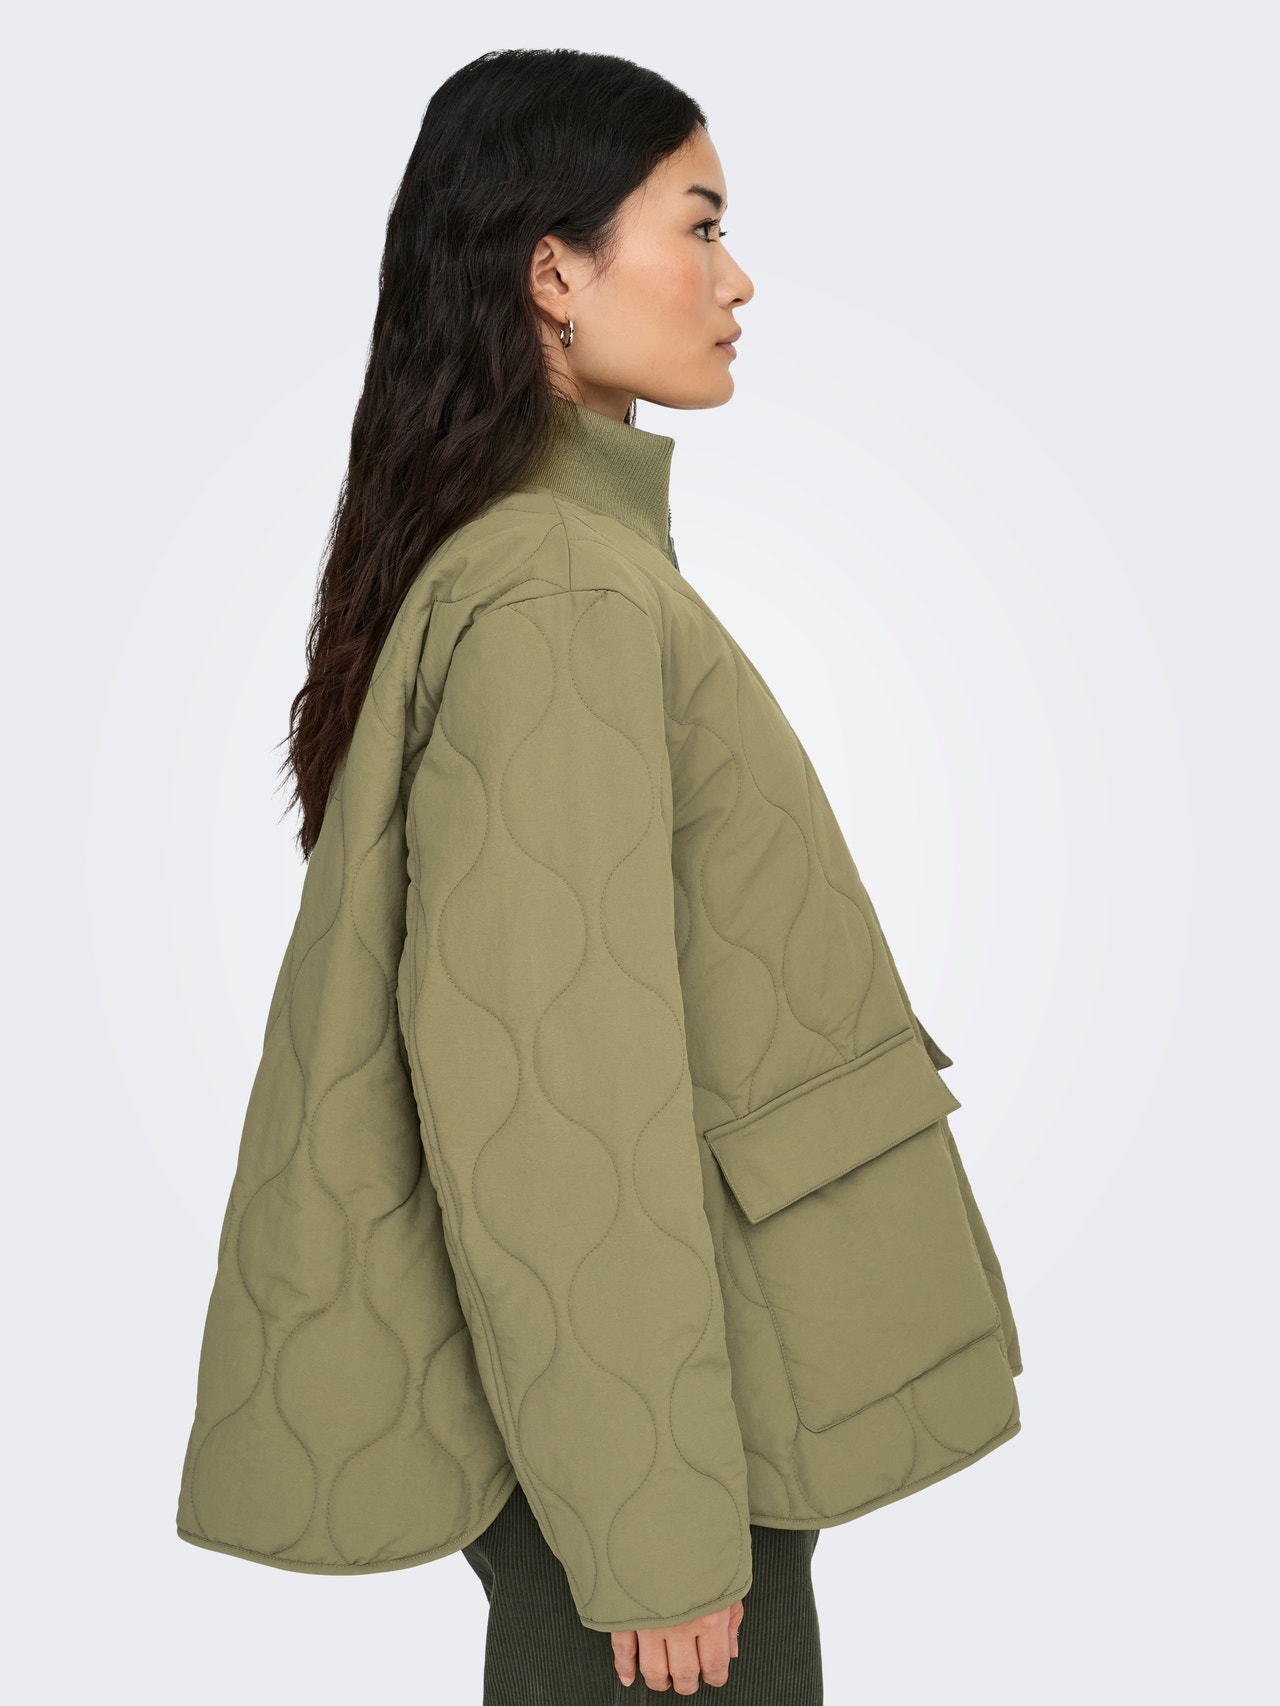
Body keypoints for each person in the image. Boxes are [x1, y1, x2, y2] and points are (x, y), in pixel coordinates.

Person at [176, 47, 1023, 1706]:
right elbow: (560, 1102)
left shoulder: (557, 562)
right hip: (644, 1474)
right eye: (698, 226)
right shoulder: (558, 596)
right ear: (552, 273)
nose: (736, 278)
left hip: (664, 1423)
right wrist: (654, 1535)